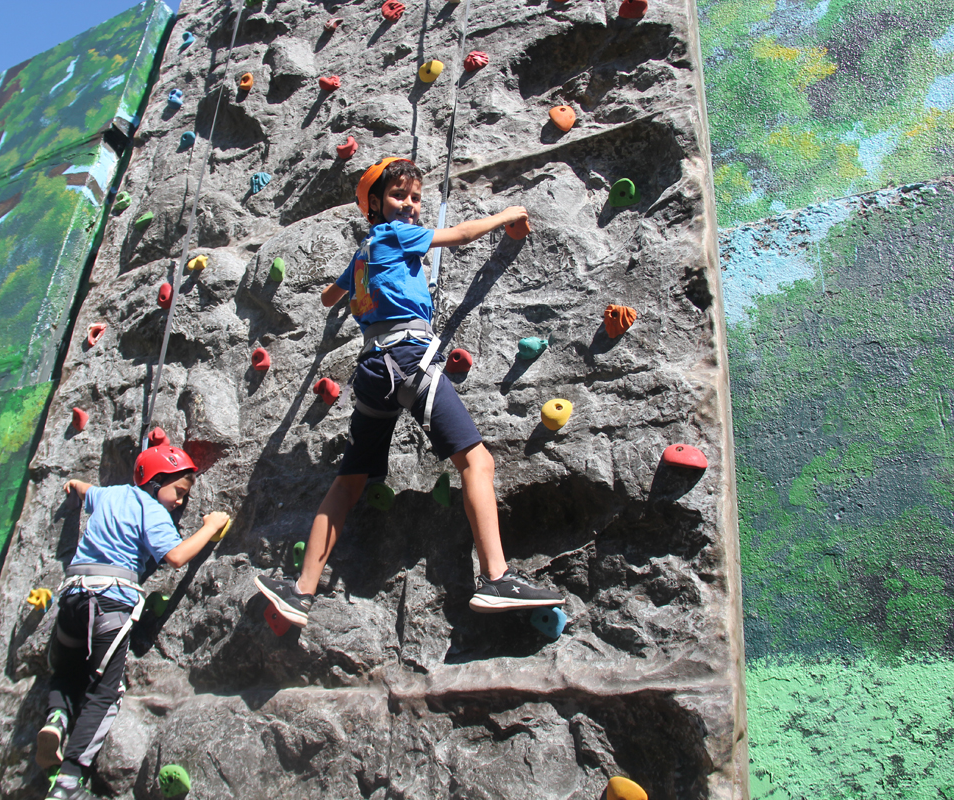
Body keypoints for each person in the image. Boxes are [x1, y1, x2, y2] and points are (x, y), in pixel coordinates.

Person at [255, 156, 563, 628]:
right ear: (375, 205)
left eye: (416, 198)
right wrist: (508, 215)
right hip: (407, 358)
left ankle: (301, 591)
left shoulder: (364, 252)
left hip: (372, 370)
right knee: (477, 462)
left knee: (349, 483)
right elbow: (460, 236)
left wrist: (358, 291)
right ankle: (496, 577)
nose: (411, 205)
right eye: (399, 196)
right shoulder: (396, 234)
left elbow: (329, 297)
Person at [38, 430, 230, 800]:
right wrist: (209, 527)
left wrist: (73, 486)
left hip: (73, 596)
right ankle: (68, 783)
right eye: (178, 492)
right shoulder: (153, 511)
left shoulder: (111, 495)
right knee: (105, 693)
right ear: (156, 482)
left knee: (67, 670)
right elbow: (175, 557)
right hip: (109, 602)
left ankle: (56, 719)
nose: (180, 502)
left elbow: (86, 491)